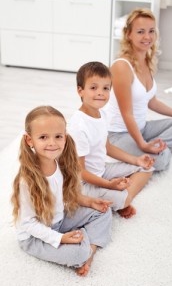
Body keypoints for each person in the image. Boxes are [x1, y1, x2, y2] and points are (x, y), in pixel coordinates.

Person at [11, 106, 112, 277]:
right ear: (30, 140)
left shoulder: (58, 162)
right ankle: (86, 251)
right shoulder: (26, 181)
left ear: (65, 137)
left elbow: (62, 194)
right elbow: (28, 224)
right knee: (77, 254)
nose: (52, 143)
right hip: (34, 237)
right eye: (43, 137)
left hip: (58, 220)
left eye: (58, 136)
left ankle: (90, 250)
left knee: (103, 211)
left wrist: (88, 201)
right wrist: (60, 239)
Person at [104, 8, 172, 171]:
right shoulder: (121, 67)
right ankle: (162, 148)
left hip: (142, 128)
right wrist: (143, 145)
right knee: (158, 161)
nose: (147, 37)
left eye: (151, 31)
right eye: (140, 32)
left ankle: (159, 145)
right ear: (129, 34)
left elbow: (152, 101)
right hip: (118, 135)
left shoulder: (147, 61)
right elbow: (127, 114)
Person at [68, 61, 154, 219]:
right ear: (80, 91)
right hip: (84, 183)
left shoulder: (103, 114)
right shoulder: (78, 126)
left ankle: (120, 193)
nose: (100, 93)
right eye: (93, 88)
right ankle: (122, 199)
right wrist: (109, 185)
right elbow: (80, 172)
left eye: (105, 88)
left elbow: (107, 148)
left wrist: (136, 160)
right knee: (122, 199)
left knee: (146, 167)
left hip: (101, 170)